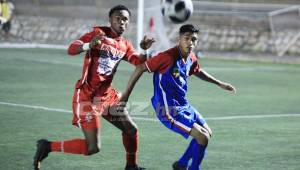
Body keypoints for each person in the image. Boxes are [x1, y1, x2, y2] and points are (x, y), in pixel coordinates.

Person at [33, 5, 155, 170]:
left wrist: (145, 50)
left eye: (125, 19)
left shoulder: (124, 45)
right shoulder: (97, 35)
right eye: (117, 18)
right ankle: (47, 146)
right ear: (110, 20)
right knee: (93, 148)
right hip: (87, 97)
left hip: (107, 96)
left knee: (131, 130)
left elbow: (138, 62)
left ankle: (131, 166)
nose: (121, 22)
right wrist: (88, 45)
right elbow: (71, 49)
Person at [119, 24, 236, 170]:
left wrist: (219, 83)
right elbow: (140, 68)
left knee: (208, 133)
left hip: (183, 104)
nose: (190, 42)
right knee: (202, 137)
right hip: (167, 109)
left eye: (194, 39)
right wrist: (126, 95)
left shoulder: (191, 57)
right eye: (186, 38)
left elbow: (197, 71)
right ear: (179, 39)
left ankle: (181, 164)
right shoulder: (167, 57)